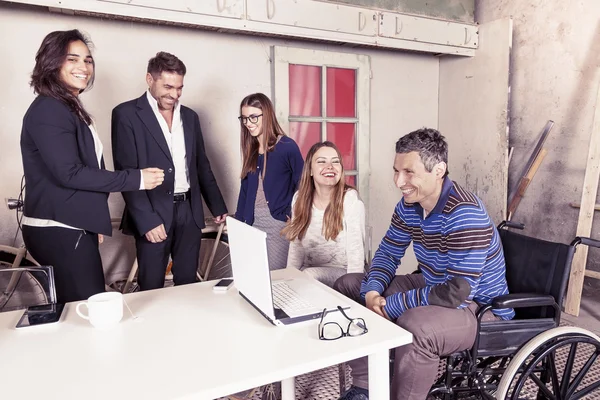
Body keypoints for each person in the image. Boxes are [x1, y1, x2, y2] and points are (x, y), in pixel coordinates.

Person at [335, 128, 515, 400]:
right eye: (396, 171)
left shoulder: (465, 213)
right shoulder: (410, 204)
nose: (399, 181)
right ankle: (366, 386)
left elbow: (457, 292)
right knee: (348, 286)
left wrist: (394, 304)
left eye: (409, 172)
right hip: (433, 284)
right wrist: (372, 292)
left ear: (438, 170)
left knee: (414, 324)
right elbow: (388, 252)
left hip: (478, 306)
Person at [20, 30, 165, 304]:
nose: (83, 67)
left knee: (77, 309)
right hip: (58, 228)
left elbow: (81, 168)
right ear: (51, 63)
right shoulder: (49, 109)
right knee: (88, 308)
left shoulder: (66, 107)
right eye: (72, 59)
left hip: (72, 225)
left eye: (87, 60)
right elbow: (69, 173)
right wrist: (136, 179)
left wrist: (93, 221)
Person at [111, 52, 227, 291]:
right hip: (153, 212)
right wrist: (147, 220)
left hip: (189, 212)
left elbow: (200, 165)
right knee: (151, 286)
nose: (174, 94)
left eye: (179, 88)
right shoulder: (126, 115)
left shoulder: (190, 117)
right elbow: (127, 173)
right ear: (149, 79)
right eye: (168, 87)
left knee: (188, 284)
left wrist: (217, 206)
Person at [234, 93, 304, 270]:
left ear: (267, 115)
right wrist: (237, 225)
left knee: (276, 279)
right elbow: (244, 192)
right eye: (244, 118)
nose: (248, 123)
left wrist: (292, 215)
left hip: (277, 225)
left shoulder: (286, 147)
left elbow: (303, 186)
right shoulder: (251, 149)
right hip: (250, 224)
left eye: (253, 117)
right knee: (252, 278)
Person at [283, 141, 365, 287]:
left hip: (343, 275)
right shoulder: (299, 198)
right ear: (310, 170)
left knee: (308, 275)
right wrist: (288, 281)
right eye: (321, 161)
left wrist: (353, 293)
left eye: (335, 162)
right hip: (308, 275)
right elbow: (296, 248)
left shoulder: (350, 199)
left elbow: (356, 257)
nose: (330, 167)